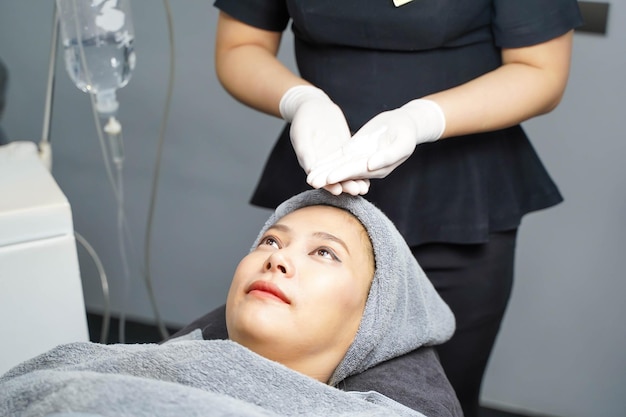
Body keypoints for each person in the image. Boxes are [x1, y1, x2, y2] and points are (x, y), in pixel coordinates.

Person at [212, 2, 583, 416]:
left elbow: (541, 71)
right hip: (324, 183)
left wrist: (422, 119)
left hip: (460, 204)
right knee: (274, 389)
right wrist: (300, 101)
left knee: (440, 395)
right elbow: (240, 46)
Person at [0, 189, 456, 417]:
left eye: (324, 252)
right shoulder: (95, 363)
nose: (278, 257)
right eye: (270, 241)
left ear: (374, 319)